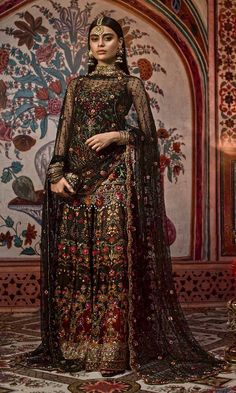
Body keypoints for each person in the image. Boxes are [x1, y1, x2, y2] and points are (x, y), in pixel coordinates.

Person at [23, 16, 226, 384]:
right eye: (95, 38)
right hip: (75, 183)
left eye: (108, 37)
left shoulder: (130, 84)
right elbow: (64, 137)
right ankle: (76, 345)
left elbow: (148, 137)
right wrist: (55, 176)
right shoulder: (77, 85)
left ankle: (114, 349)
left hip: (114, 179)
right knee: (77, 264)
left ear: (120, 44)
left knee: (112, 262)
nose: (100, 43)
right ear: (89, 46)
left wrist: (118, 134)